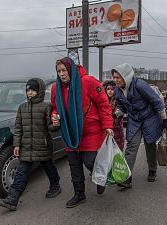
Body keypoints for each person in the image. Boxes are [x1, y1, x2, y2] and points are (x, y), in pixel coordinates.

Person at [51, 57, 113, 208]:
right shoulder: (56, 88)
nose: (61, 74)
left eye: (64, 70)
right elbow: (55, 107)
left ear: (70, 69)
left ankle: (101, 178)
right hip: (71, 133)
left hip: (91, 131)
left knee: (90, 161)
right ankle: (79, 194)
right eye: (58, 71)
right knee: (74, 165)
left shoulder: (88, 82)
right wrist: (55, 116)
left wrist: (107, 126)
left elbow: (103, 104)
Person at [0, 78, 61, 211]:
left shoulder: (46, 107)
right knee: (21, 173)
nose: (30, 93)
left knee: (49, 168)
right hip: (26, 147)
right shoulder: (22, 108)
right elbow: (18, 128)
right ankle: (12, 199)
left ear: (40, 92)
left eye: (33, 90)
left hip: (42, 146)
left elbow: (50, 127)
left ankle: (55, 186)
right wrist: (16, 145)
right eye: (28, 90)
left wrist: (56, 125)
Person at [111, 63, 167, 188]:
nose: (115, 80)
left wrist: (164, 119)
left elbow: (156, 101)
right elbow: (122, 107)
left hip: (150, 118)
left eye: (118, 77)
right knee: (131, 146)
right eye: (114, 77)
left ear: (125, 76)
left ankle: (152, 170)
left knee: (150, 145)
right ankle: (126, 177)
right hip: (135, 120)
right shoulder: (118, 90)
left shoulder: (139, 85)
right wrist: (115, 115)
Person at [103, 80, 125, 150]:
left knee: (116, 153)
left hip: (117, 131)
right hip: (105, 131)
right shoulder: (103, 101)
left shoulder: (118, 101)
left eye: (112, 89)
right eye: (108, 89)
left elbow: (117, 117)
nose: (110, 91)